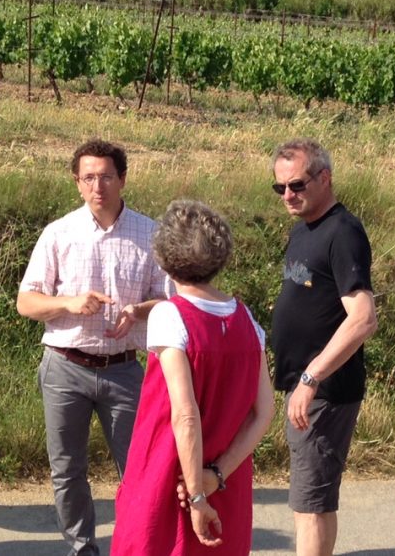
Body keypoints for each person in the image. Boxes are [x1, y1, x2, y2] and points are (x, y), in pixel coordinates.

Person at [17, 139, 170, 556]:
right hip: (65, 366)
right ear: (77, 182)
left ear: (123, 179)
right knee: (67, 470)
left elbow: (170, 299)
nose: (97, 186)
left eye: (106, 177)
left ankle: (137, 545)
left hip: (124, 369)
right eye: (88, 178)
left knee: (138, 469)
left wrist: (138, 311)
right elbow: (26, 302)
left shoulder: (150, 233)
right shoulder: (58, 233)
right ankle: (81, 548)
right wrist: (68, 303)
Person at [111, 200, 275, 556]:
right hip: (225, 481)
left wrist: (198, 496)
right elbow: (264, 412)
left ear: (164, 257)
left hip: (168, 475)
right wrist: (216, 475)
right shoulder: (248, 321)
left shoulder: (170, 316)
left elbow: (185, 415)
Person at [269, 138, 378, 556]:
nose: (288, 195)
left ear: (325, 178)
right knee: (314, 501)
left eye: (296, 185)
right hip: (306, 387)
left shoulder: (342, 232)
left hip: (324, 391)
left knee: (309, 505)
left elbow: (362, 318)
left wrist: (312, 377)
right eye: (280, 187)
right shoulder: (304, 229)